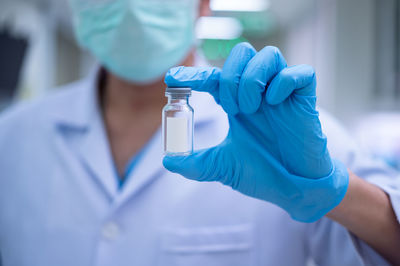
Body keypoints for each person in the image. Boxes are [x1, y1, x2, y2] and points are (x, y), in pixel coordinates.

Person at [0, 0, 399, 265]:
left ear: (202, 4)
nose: (132, 7)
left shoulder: (289, 135)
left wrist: (335, 192)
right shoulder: (12, 140)